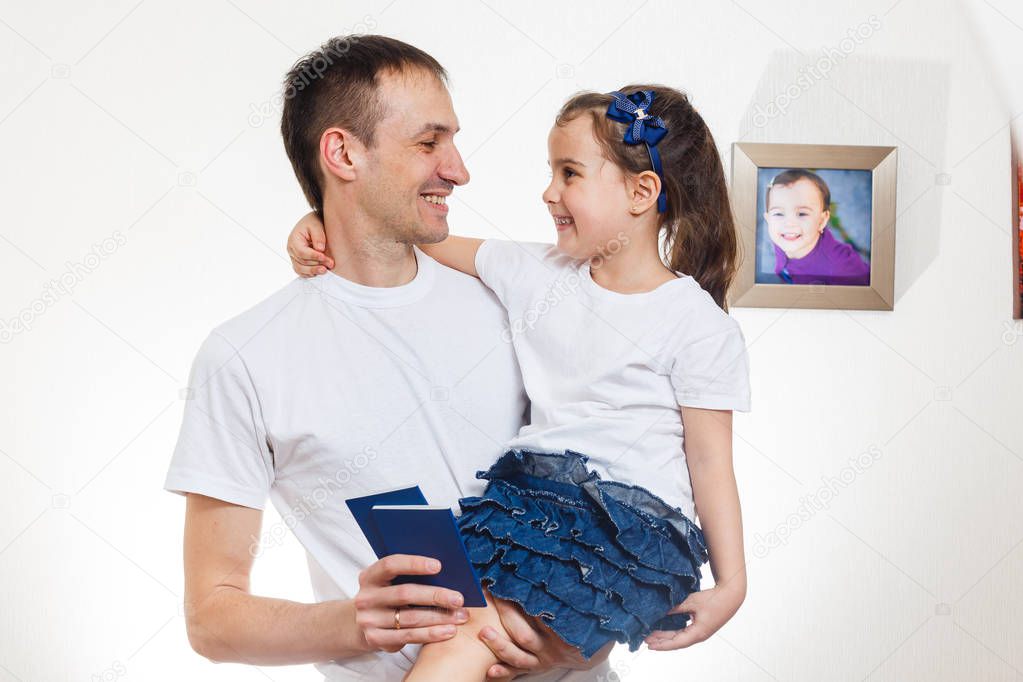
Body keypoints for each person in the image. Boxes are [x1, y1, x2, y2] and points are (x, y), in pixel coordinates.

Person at [164, 34, 613, 681]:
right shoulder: (245, 356)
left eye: (453, 141)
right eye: (428, 143)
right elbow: (212, 617)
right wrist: (357, 621)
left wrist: (594, 625)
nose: (458, 169)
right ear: (343, 152)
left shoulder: (519, 301)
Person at [287, 85, 752, 681]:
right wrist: (320, 218)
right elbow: (411, 235)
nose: (549, 192)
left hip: (632, 535)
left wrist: (732, 583)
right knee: (456, 627)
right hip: (532, 508)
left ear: (642, 192)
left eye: (570, 173)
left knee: (458, 643)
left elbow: (712, 463)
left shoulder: (695, 323)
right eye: (550, 171)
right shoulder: (533, 272)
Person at [763, 169, 871, 285]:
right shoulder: (782, 237)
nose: (788, 224)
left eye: (802, 213)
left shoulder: (841, 266)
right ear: (768, 219)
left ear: (822, 221)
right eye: (779, 214)